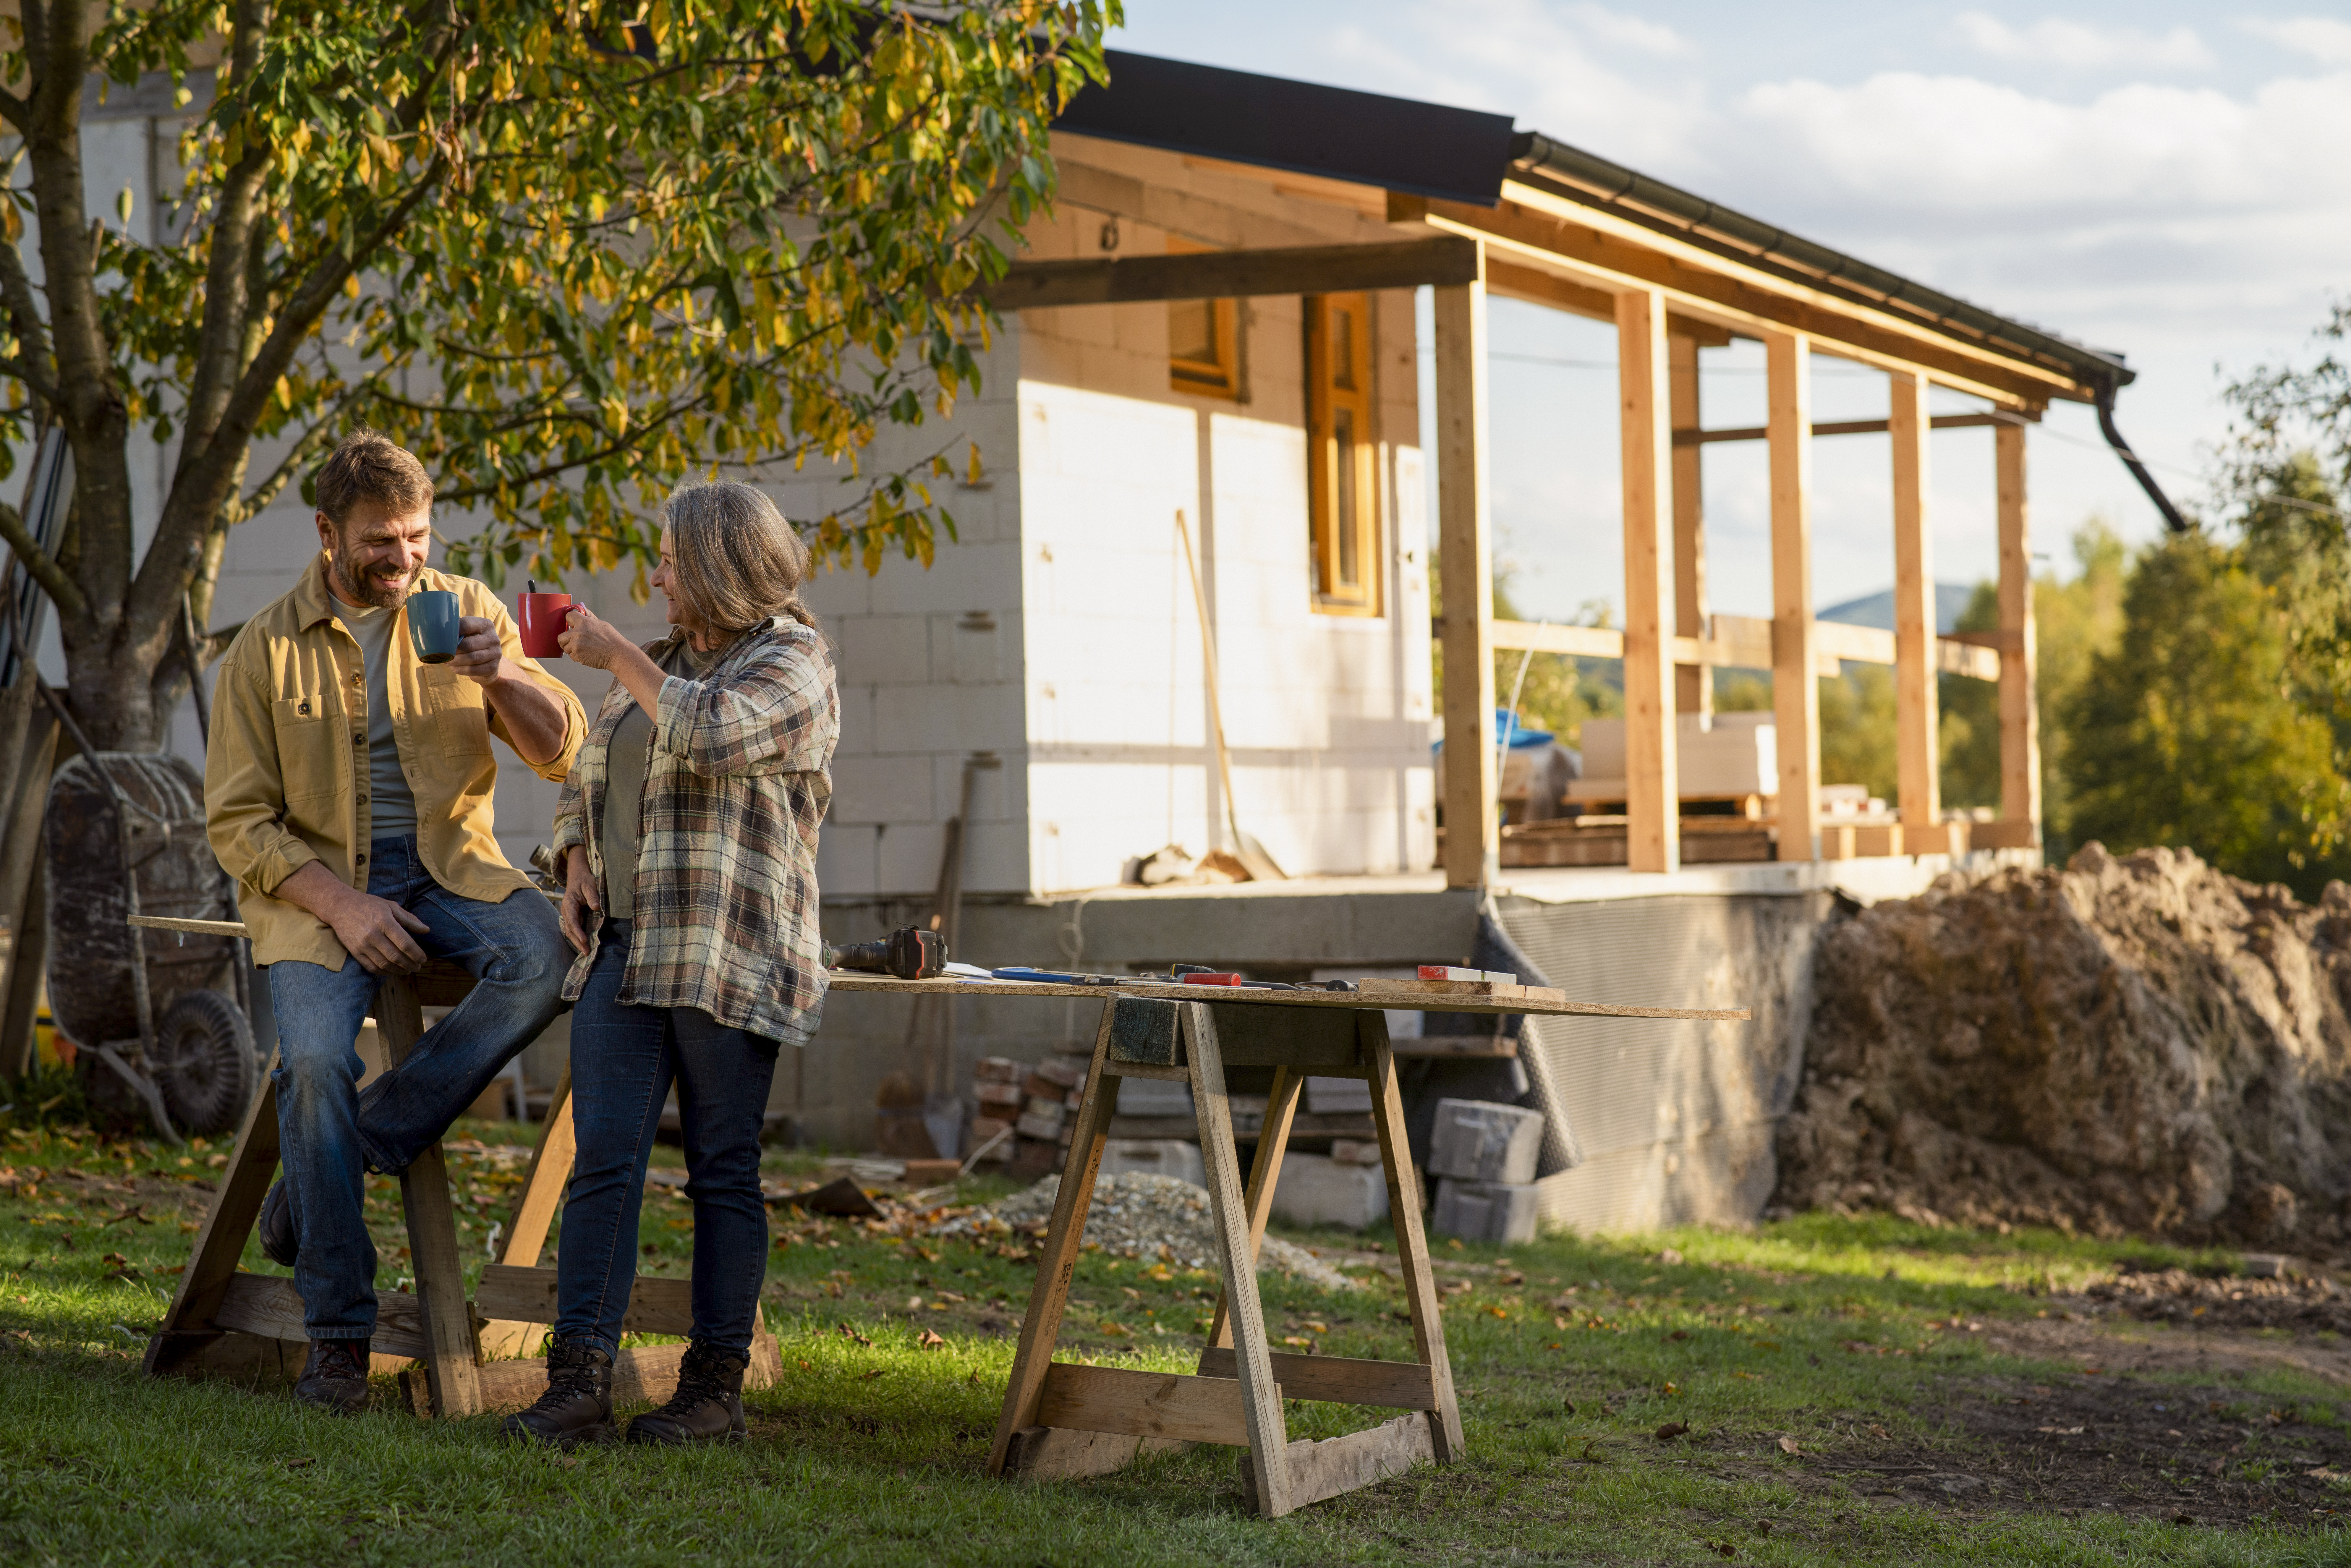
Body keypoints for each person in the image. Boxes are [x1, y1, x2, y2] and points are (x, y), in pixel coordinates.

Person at [205, 431, 584, 1415]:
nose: (405, 558)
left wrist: (502, 676)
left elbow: (563, 751)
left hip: (451, 871)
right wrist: (343, 904)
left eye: (417, 537)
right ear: (329, 533)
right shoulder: (265, 648)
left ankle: (350, 1152)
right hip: (319, 894)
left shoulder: (468, 616)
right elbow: (238, 822)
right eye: (381, 541)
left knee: (543, 959)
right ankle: (337, 1342)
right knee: (317, 1066)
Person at [504, 481, 838, 1449]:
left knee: (721, 1171)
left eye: (670, 560)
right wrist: (572, 858)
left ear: (721, 567)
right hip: (627, 947)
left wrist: (613, 654)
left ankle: (712, 1393)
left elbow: (712, 734)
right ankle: (576, 1383)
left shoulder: (792, 662)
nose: (656, 576)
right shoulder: (663, 661)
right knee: (603, 1164)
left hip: (730, 950)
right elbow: (593, 771)